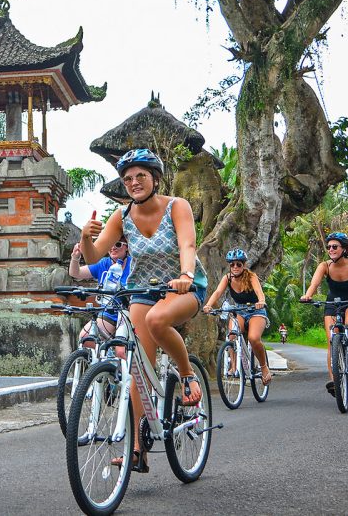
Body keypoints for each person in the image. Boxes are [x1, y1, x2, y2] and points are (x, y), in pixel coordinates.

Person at [79, 148, 207, 473]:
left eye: (140, 176)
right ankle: (138, 449)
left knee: (158, 319)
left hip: (184, 287)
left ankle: (188, 377)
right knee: (137, 369)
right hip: (142, 289)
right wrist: (84, 238)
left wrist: (186, 275)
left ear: (154, 178)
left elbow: (187, 245)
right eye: (128, 179)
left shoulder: (177, 206)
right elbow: (95, 257)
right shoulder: (121, 216)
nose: (134, 183)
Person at [300, 232, 348, 396]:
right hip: (332, 303)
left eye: (335, 247)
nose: (331, 249)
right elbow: (314, 283)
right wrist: (308, 295)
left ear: (344, 249)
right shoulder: (324, 266)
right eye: (329, 247)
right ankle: (335, 380)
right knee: (332, 340)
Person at [202, 248, 271, 386]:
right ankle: (234, 367)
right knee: (232, 336)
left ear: (244, 265)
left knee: (253, 338)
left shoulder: (251, 276)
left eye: (238, 264)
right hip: (239, 311)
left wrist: (261, 301)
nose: (235, 267)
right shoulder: (227, 278)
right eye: (232, 264)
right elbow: (217, 293)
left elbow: (259, 292)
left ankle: (264, 368)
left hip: (255, 310)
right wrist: (208, 305)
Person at [68, 236, 131, 342]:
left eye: (118, 244)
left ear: (127, 247)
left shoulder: (134, 264)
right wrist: (75, 257)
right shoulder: (103, 263)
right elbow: (75, 273)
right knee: (86, 338)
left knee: (121, 348)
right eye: (110, 244)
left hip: (130, 312)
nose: (113, 248)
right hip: (109, 311)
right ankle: (105, 356)